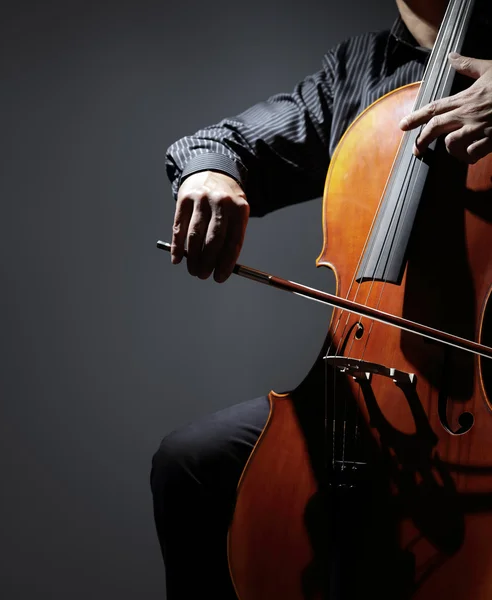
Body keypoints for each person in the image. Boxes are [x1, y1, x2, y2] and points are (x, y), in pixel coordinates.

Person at [151, 1, 492, 598]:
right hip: (353, 395)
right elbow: (224, 142)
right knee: (193, 463)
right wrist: (212, 175)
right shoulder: (357, 71)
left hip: (481, 401)